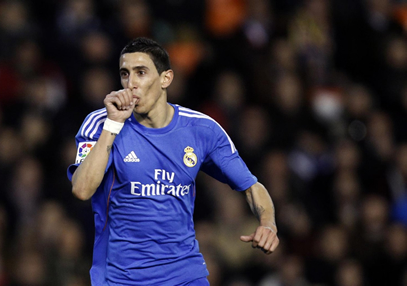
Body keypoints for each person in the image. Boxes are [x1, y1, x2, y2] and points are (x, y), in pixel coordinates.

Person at [67, 37, 279, 285]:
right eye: (125, 74)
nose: (131, 83)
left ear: (166, 78)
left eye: (141, 73)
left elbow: (252, 187)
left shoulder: (202, 129)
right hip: (120, 277)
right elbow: (81, 189)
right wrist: (113, 125)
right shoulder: (102, 123)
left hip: (185, 275)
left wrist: (268, 224)